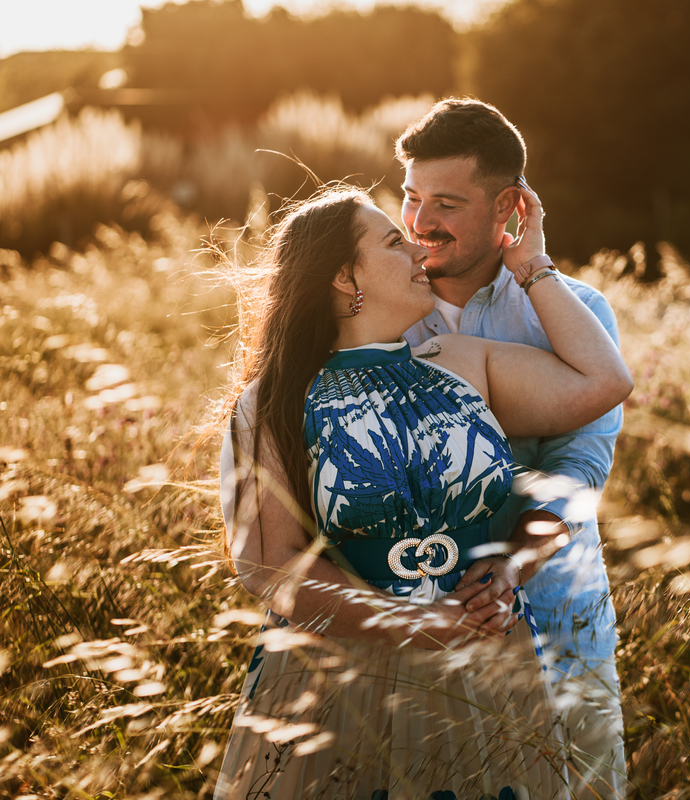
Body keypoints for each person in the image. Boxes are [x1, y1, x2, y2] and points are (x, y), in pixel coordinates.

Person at [213, 178, 632, 799]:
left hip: (488, 660)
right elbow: (271, 568)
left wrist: (532, 264)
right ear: (342, 277)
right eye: (392, 241)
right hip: (344, 676)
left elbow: (604, 381)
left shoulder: (462, 362)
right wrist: (415, 620)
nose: (417, 249)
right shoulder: (272, 402)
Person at [396, 99, 628, 799]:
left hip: (558, 617)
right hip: (420, 628)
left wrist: (510, 570)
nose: (419, 222)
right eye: (410, 197)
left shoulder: (573, 311)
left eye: (446, 202)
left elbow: (578, 471)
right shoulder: (381, 313)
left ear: (508, 207)